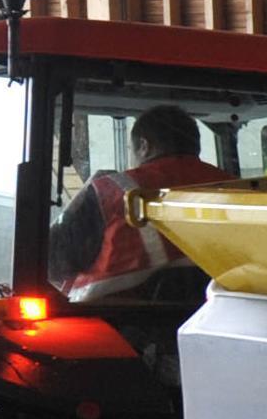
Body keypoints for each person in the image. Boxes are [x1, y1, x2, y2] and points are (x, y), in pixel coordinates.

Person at [54, 104, 235, 298]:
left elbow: (53, 264)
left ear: (144, 146)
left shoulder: (110, 190)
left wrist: (85, 192)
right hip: (222, 310)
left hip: (114, 311)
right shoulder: (238, 188)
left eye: (131, 149)